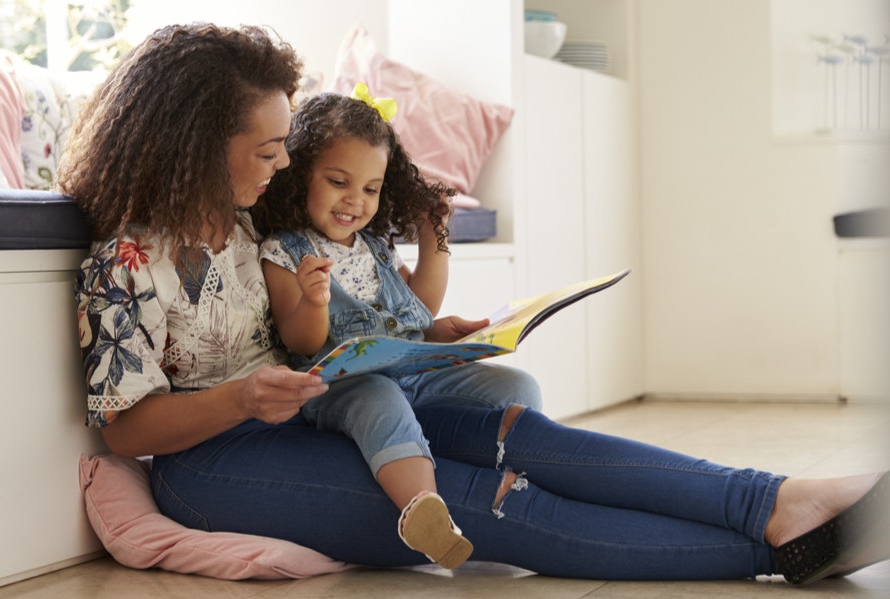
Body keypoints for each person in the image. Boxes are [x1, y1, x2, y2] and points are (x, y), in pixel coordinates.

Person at [58, 21, 890, 585]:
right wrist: (241, 395)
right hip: (218, 464)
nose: (281, 166)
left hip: (316, 407)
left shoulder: (254, 227)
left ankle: (780, 500)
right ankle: (773, 547)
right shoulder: (122, 263)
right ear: (198, 148)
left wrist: (423, 338)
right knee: (489, 503)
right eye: (267, 150)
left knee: (527, 437)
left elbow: (341, 286)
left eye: (284, 148)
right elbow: (125, 425)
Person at [255, 87, 545, 569]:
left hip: (416, 372)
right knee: (380, 399)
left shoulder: (375, 248)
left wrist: (436, 248)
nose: (355, 200)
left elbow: (419, 309)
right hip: (341, 386)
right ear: (302, 174)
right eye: (338, 182)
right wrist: (312, 300)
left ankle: (511, 472)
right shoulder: (286, 251)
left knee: (518, 385)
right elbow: (299, 342)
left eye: (370, 189)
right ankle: (425, 511)